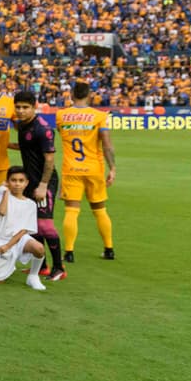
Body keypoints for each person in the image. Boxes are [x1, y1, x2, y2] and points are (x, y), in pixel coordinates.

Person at [55, 82, 116, 263]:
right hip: (94, 169)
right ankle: (109, 248)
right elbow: (106, 144)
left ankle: (69, 251)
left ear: (71, 95)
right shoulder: (99, 116)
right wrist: (112, 168)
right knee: (100, 210)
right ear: (89, 95)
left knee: (71, 211)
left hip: (71, 168)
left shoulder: (61, 115)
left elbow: (60, 132)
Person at [11, 90, 64, 280]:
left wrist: (43, 185)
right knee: (33, 225)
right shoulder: (22, 125)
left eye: (25, 107)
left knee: (46, 226)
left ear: (34, 107)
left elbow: (49, 160)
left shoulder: (42, 128)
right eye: (18, 107)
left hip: (44, 181)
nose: (21, 111)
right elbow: (28, 147)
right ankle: (42, 266)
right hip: (31, 181)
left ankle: (59, 268)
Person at [0, 166, 49, 291]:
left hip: (18, 239)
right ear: (8, 181)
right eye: (13, 180)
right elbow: (2, 212)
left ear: (26, 183)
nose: (17, 184)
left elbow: (24, 230)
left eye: (21, 181)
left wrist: (9, 245)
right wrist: (5, 192)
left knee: (39, 248)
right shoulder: (0, 194)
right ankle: (5, 266)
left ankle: (33, 276)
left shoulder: (30, 204)